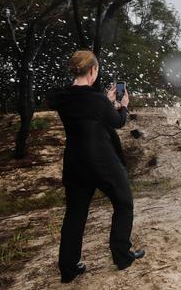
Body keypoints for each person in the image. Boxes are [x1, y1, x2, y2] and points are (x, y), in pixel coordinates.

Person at [47, 50, 144, 283]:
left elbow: (85, 112)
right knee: (123, 203)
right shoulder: (97, 100)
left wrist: (106, 102)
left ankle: (68, 269)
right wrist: (123, 105)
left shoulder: (62, 97)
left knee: (75, 215)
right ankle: (122, 256)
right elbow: (118, 122)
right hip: (101, 161)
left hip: (74, 162)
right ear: (92, 70)